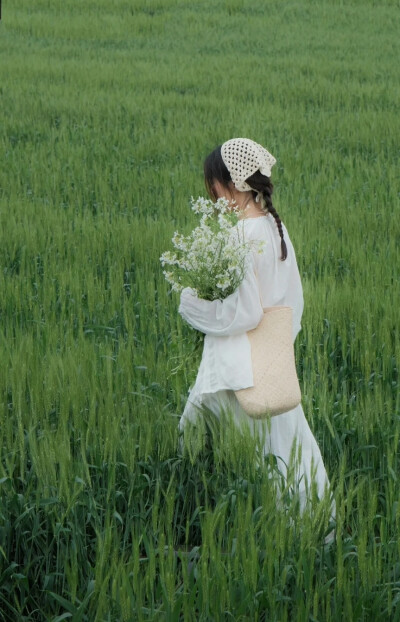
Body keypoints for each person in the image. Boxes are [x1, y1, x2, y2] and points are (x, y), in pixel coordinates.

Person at [178, 137, 335, 521]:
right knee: (286, 444)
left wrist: (191, 304)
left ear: (232, 182)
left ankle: (195, 513)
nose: (212, 194)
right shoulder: (275, 230)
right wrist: (277, 346)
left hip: (238, 364)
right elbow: (290, 306)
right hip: (271, 362)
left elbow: (244, 313)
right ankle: (313, 523)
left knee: (199, 440)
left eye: (213, 185)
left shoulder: (241, 235)